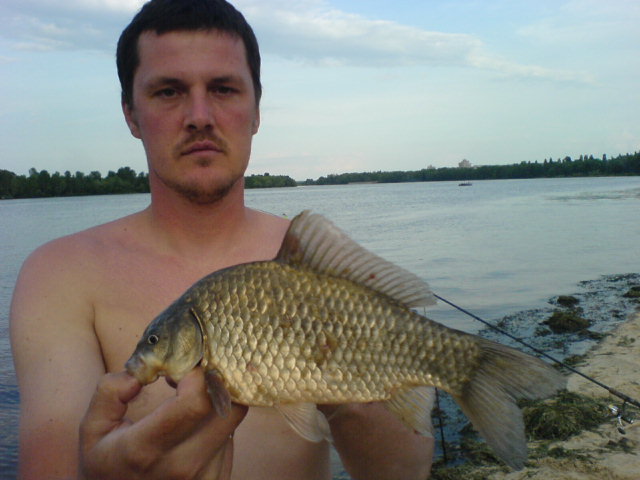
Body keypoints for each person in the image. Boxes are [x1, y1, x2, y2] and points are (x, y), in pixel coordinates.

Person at [10, 0, 434, 478]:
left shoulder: (316, 264)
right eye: (169, 91)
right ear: (131, 114)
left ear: (256, 110)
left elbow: (404, 473)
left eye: (223, 89)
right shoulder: (59, 275)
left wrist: (343, 384)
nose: (199, 116)